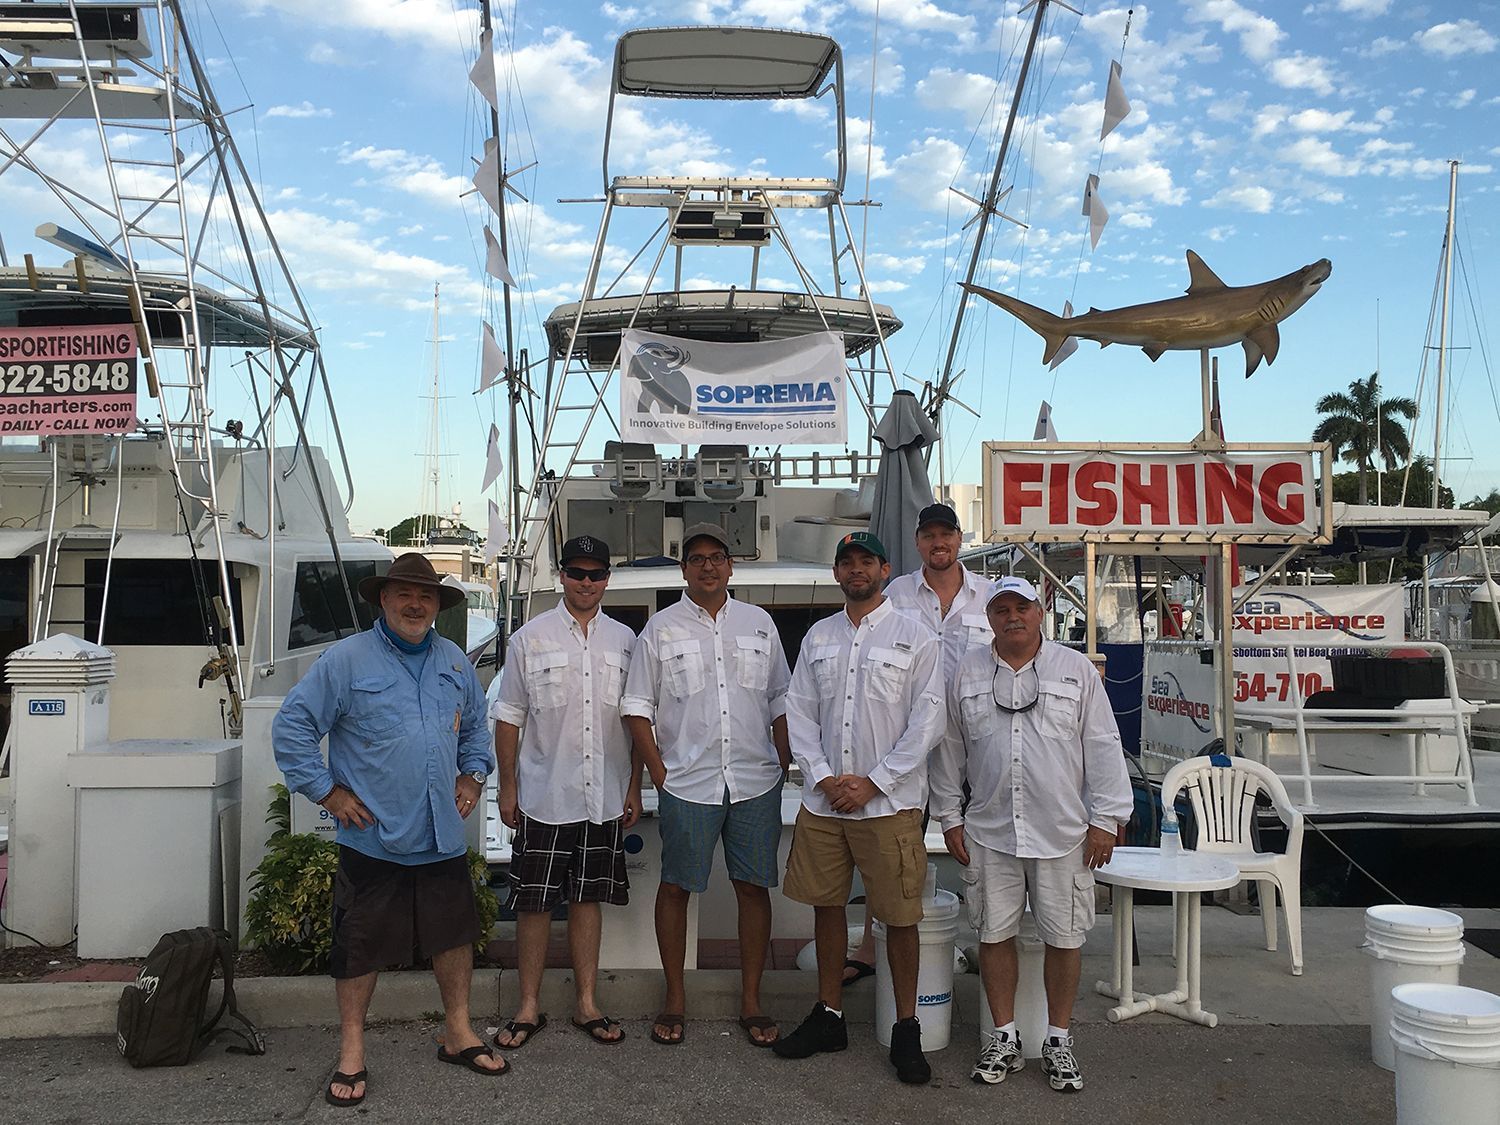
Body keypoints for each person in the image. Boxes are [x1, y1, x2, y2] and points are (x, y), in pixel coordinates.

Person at [273, 552, 501, 1108]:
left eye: (425, 596)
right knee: (360, 948)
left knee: (453, 936)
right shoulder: (345, 661)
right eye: (403, 593)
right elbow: (293, 727)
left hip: (441, 833)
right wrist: (328, 792)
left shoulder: (454, 662)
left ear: (438, 606)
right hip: (374, 837)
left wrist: (472, 777)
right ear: (383, 599)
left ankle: (459, 1032)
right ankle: (352, 1050)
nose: (415, 604)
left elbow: (475, 730)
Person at [929, 575, 1134, 1093]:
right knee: (992, 934)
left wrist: (1105, 821)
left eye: (1022, 607)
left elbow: (1104, 744)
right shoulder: (966, 673)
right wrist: (949, 817)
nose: (1012, 616)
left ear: (1040, 612)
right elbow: (950, 749)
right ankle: (1002, 1037)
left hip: (1064, 831)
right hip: (989, 830)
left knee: (1064, 938)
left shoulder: (1076, 670)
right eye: (1001, 609)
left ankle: (1059, 1040)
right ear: (989, 618)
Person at [773, 531, 945, 1084]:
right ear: (837, 573)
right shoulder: (819, 636)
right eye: (846, 562)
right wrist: (822, 777)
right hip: (825, 804)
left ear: (884, 568)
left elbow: (928, 721)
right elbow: (798, 711)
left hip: (888, 805)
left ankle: (907, 1029)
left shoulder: (915, 636)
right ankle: (829, 1016)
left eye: (865, 561)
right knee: (825, 907)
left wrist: (874, 782)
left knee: (900, 917)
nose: (855, 570)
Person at [621, 523, 792, 1049]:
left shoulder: (760, 623)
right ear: (684, 569)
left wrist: (784, 762)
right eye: (697, 559)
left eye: (717, 556)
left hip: (754, 780)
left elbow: (781, 699)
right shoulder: (660, 629)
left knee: (752, 887)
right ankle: (675, 998)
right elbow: (636, 707)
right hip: (686, 783)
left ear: (731, 565)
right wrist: (656, 770)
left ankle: (751, 1002)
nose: (708, 566)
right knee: (675, 888)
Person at [490, 534, 641, 1051]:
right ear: (561, 577)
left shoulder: (626, 640)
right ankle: (528, 1005)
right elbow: (509, 719)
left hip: (603, 795)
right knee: (532, 905)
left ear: (607, 580)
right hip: (543, 793)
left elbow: (636, 717)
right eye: (577, 573)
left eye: (596, 574)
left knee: (587, 901)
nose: (586, 582)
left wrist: (634, 787)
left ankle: (586, 1004)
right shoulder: (528, 639)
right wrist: (507, 788)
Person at [839, 501, 988, 986]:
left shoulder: (990, 595)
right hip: (908, 737)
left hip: (977, 733)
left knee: (984, 835)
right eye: (929, 536)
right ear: (918, 542)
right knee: (892, 840)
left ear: (960, 539)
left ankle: (987, 936)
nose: (938, 543)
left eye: (946, 535)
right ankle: (871, 944)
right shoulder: (895, 592)